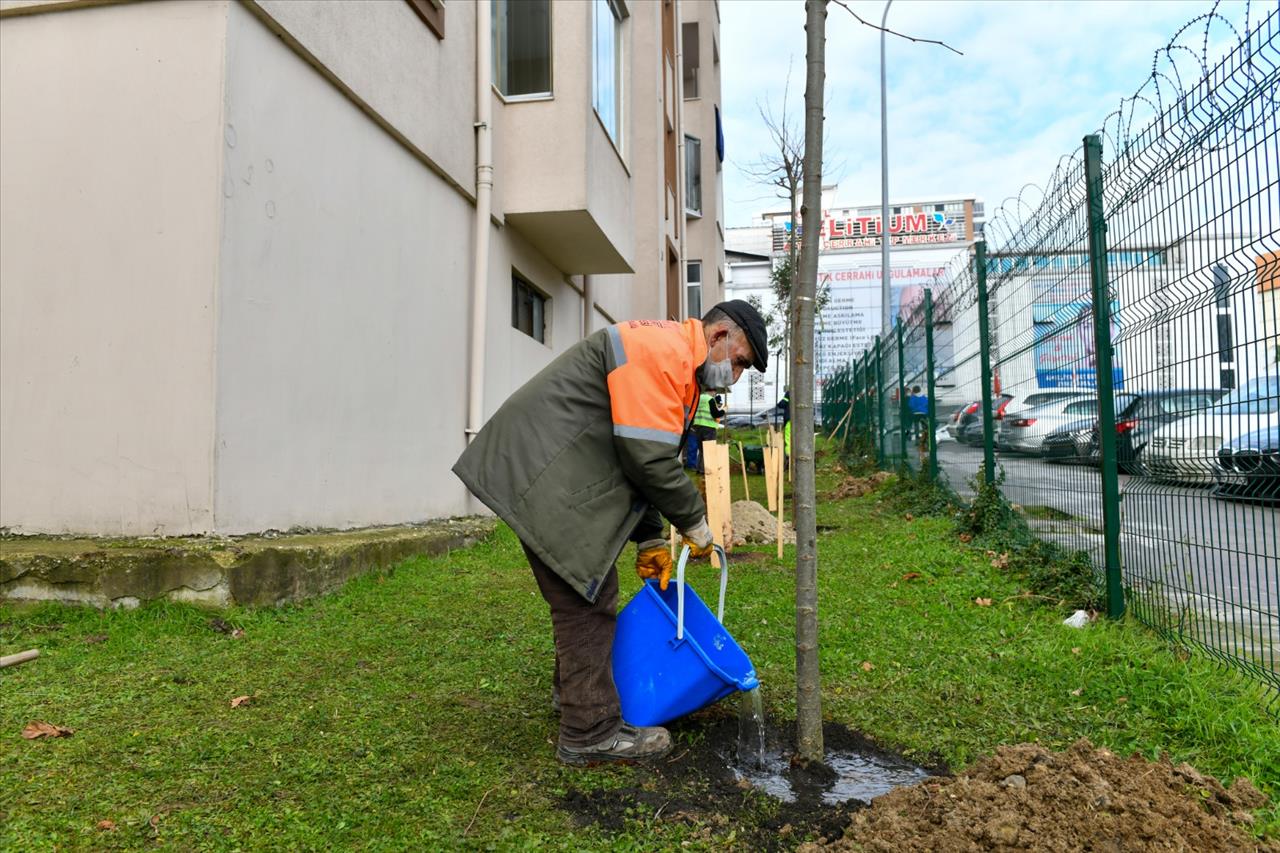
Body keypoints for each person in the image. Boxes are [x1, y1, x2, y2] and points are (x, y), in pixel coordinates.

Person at [452, 300, 768, 766]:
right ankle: (590, 732)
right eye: (739, 362)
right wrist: (695, 523)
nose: (736, 376)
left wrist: (651, 538)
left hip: (550, 465)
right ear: (719, 335)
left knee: (584, 590)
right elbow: (648, 458)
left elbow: (639, 454)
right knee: (587, 597)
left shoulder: (674, 359)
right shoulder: (664, 354)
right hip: (543, 468)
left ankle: (576, 696)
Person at [684, 391, 723, 473]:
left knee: (701, 449)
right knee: (709, 449)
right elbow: (716, 414)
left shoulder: (699, 398)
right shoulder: (710, 399)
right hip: (709, 427)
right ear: (712, 391)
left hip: (698, 427)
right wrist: (724, 411)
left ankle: (699, 468)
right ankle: (705, 469)